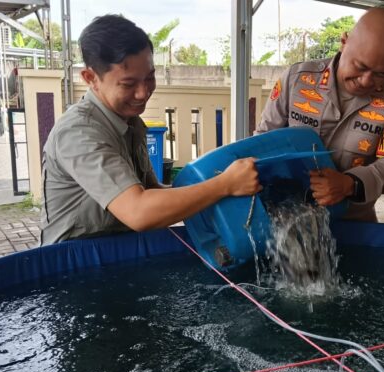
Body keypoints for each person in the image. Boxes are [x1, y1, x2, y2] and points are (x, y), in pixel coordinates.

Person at [40, 15, 260, 245]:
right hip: (72, 264)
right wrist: (224, 185)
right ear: (91, 78)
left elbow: (151, 192)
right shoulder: (78, 132)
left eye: (150, 78)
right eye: (128, 84)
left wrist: (215, 186)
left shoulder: (130, 121)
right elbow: (139, 211)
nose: (143, 93)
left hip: (121, 254)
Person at [256, 7, 384, 221]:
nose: (366, 81)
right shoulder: (296, 79)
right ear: (344, 42)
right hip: (286, 219)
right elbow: (263, 139)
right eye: (360, 66)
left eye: (381, 74)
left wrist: (349, 184)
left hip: (354, 222)